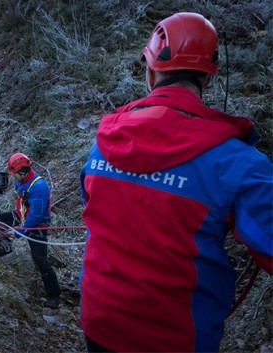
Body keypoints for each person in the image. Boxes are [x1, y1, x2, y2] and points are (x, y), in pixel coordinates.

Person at [79, 12, 272, 352]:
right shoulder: (238, 164)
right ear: (208, 78)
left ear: (151, 71)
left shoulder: (104, 143)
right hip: (173, 338)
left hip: (100, 321)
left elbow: (94, 205)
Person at [0, 152, 61, 309]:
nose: (13, 176)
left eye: (14, 173)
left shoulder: (39, 187)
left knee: (41, 261)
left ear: (22, 171)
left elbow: (35, 216)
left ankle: (54, 296)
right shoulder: (22, 182)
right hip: (22, 217)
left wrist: (18, 232)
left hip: (36, 226)